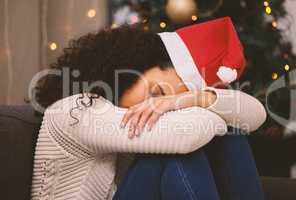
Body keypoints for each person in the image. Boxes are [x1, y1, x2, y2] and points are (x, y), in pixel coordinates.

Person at [31, 17, 266, 200]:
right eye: (157, 93)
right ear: (130, 66)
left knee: (229, 137)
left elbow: (257, 114)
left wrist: (185, 101)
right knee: (178, 152)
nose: (155, 107)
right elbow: (188, 138)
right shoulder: (75, 111)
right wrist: (204, 107)